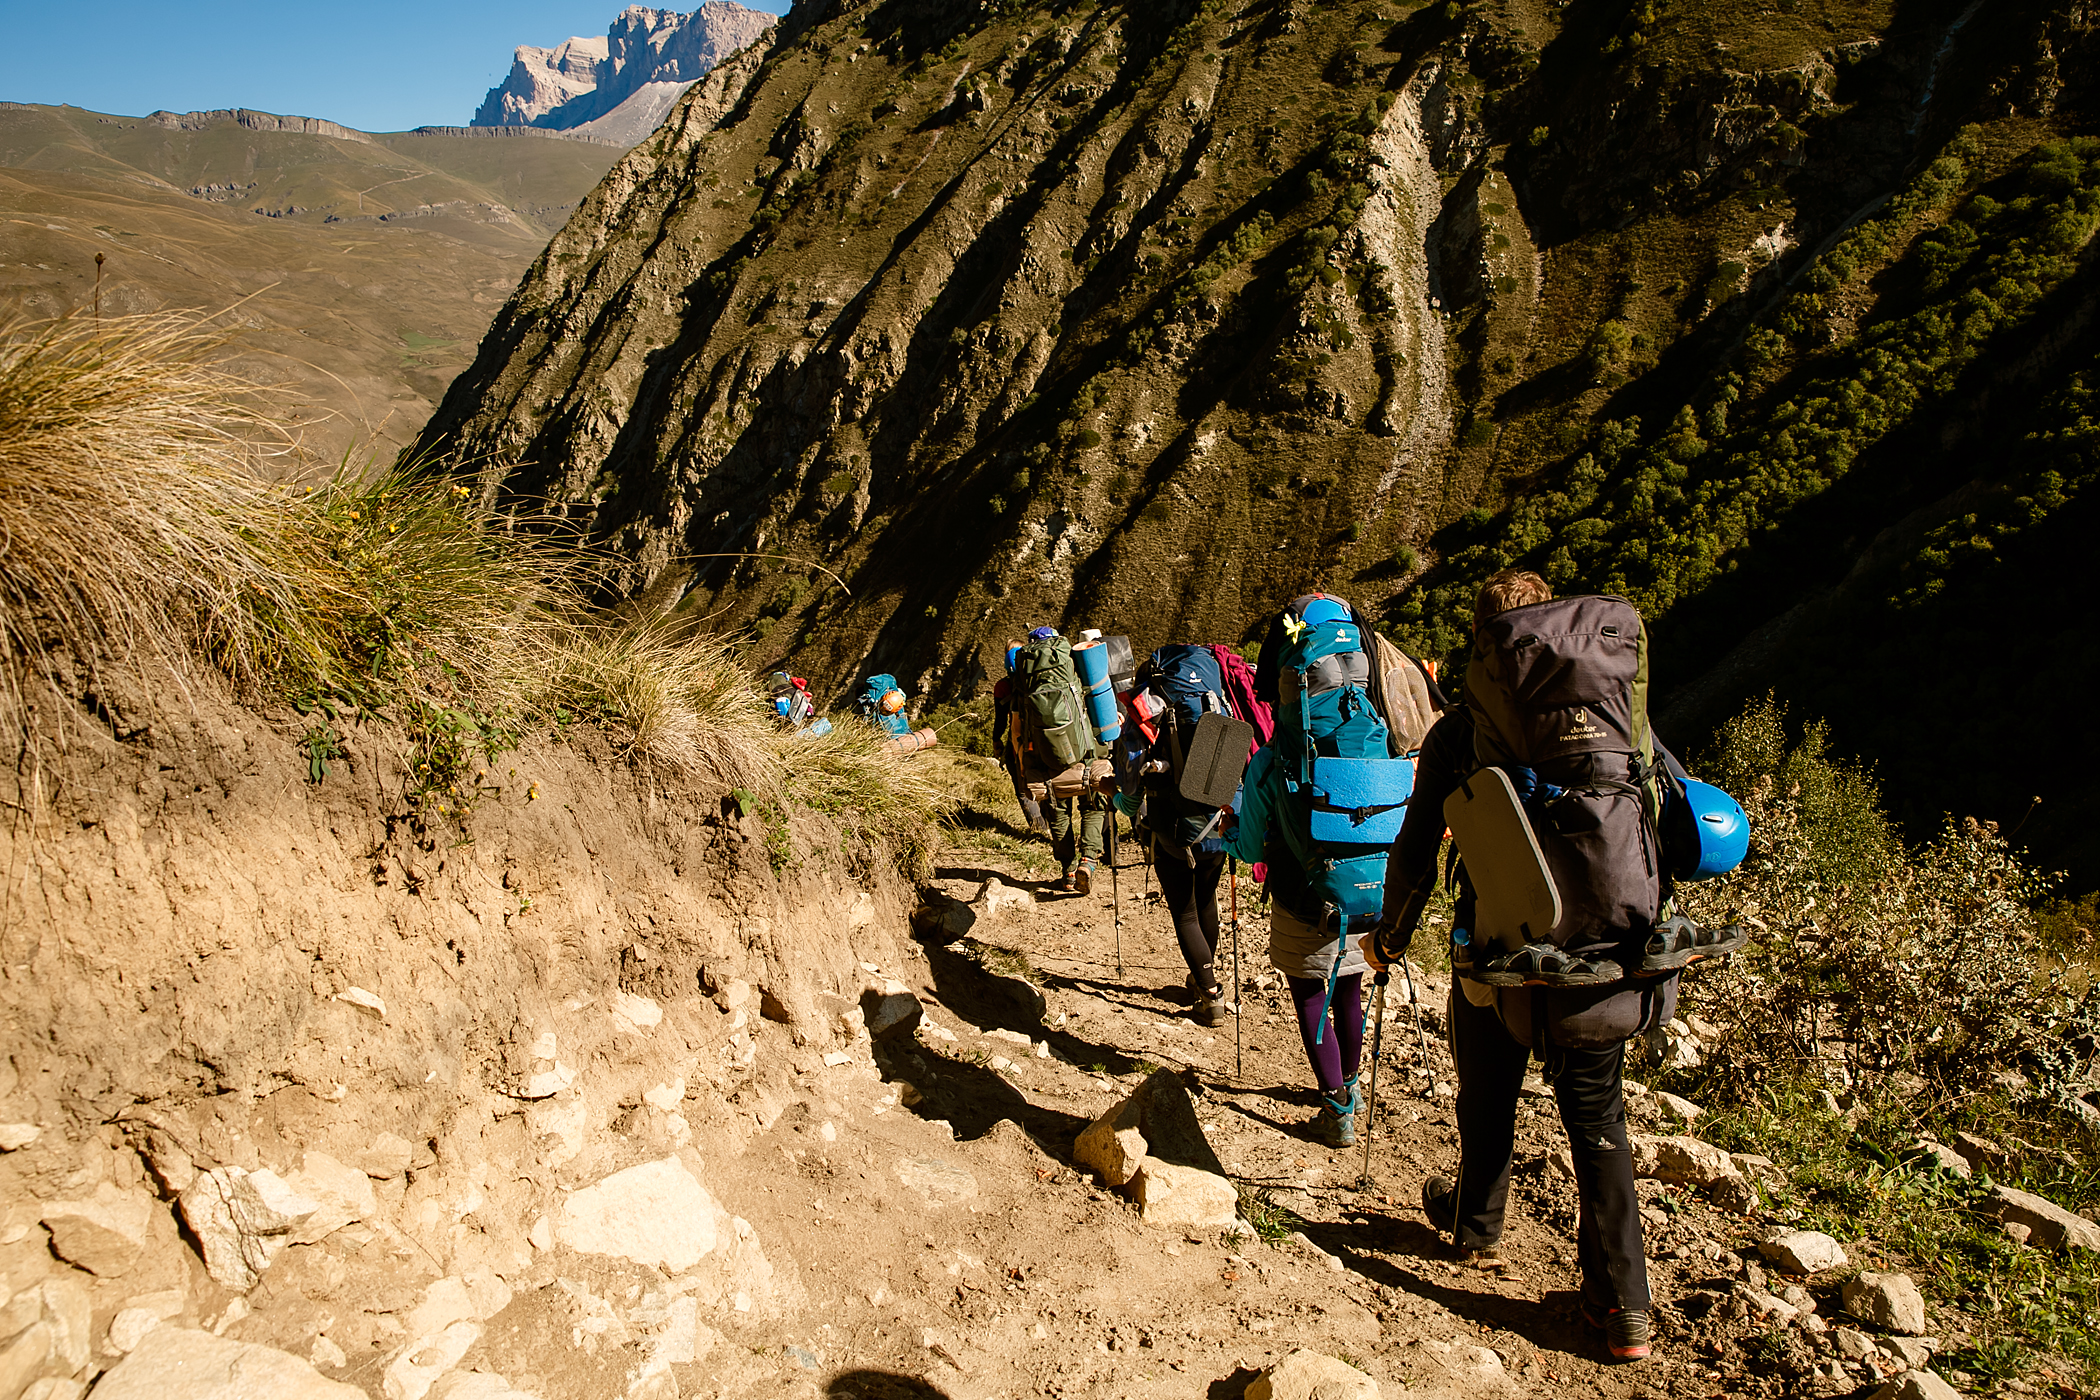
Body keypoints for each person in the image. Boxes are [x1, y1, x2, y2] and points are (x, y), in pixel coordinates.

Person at [1366, 568, 1660, 1363]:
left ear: (1485, 649)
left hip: (1498, 948)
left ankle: (1476, 1225)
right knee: (1598, 1122)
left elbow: (1418, 850)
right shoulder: (1613, 714)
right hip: (1606, 945)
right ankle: (1622, 1305)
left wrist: (1390, 937)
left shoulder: (1458, 733)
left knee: (1487, 1092)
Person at [1224, 598, 1403, 1148]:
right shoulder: (1379, 737)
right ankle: (1346, 1081)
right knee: (1347, 990)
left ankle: (1337, 1106)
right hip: (1373, 893)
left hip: (1304, 896)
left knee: (1310, 994)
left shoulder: (1275, 759)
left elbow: (1251, 845)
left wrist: (1232, 835)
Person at [1111, 644, 1242, 1026]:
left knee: (1184, 911)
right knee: (1206, 900)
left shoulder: (1147, 708)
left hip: (1173, 825)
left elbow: (1130, 786)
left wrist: (1122, 800)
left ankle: (1209, 991)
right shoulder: (1218, 704)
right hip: (1218, 823)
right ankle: (1202, 976)